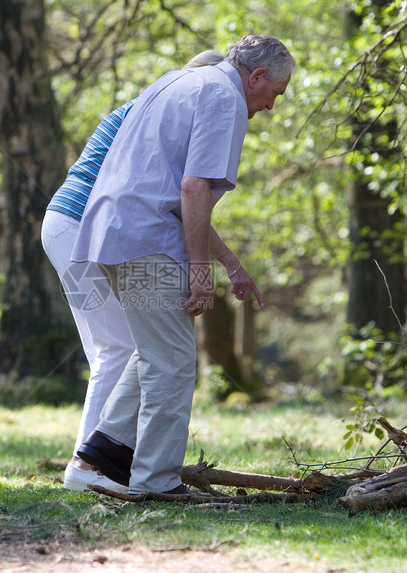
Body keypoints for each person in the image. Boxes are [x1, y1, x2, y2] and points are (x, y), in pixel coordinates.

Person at [72, 34, 296, 494]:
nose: (271, 106)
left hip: (110, 231)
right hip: (146, 237)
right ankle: (154, 482)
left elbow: (178, 190)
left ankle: (105, 455)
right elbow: (193, 190)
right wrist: (201, 272)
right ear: (256, 77)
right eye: (275, 93)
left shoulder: (177, 81)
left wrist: (230, 265)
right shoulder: (225, 99)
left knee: (158, 349)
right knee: (172, 363)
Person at [41, 50, 226, 494]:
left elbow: (185, 210)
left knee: (119, 348)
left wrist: (229, 261)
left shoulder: (150, 106)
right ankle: (89, 467)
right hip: (81, 230)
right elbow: (184, 202)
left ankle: (98, 462)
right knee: (121, 348)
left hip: (67, 228)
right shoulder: (167, 114)